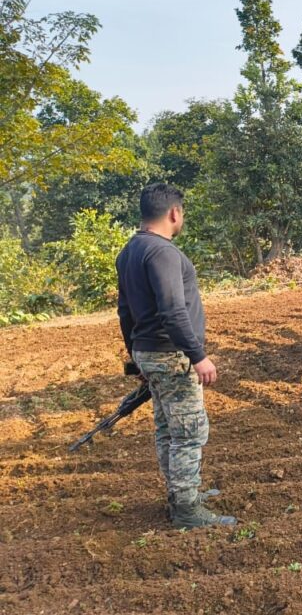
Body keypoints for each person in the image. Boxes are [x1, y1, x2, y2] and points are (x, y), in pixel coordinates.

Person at [116, 183, 236, 529]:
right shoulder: (164, 252)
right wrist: (198, 355)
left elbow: (125, 312)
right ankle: (186, 510)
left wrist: (136, 357)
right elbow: (172, 310)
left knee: (168, 427)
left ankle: (180, 492)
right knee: (189, 431)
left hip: (148, 351)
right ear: (174, 212)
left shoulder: (129, 252)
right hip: (171, 354)